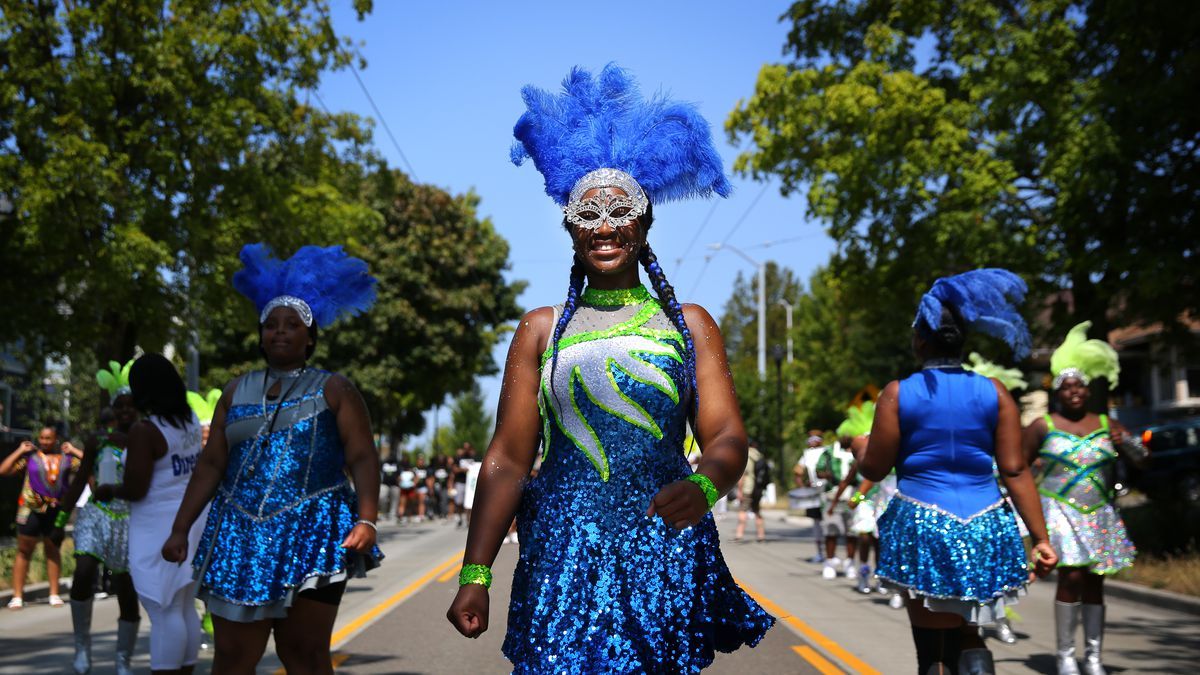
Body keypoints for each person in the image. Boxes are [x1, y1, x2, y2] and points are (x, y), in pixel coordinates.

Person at [446, 64, 773, 671]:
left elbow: (727, 437)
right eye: (586, 214)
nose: (603, 226)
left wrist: (705, 487)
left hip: (662, 550)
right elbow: (508, 459)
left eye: (618, 211)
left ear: (645, 223)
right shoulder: (541, 329)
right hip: (563, 557)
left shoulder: (689, 324)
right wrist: (476, 571)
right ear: (569, 228)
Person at [161, 244, 382, 674]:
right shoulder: (234, 390)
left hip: (314, 530)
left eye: (292, 325)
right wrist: (180, 528)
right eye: (271, 325)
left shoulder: (334, 389)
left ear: (310, 336)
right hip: (237, 534)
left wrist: (367, 519)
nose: (280, 332)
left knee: (303, 654)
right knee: (232, 658)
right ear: (261, 335)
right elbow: (210, 465)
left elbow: (363, 458)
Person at [856, 269, 1058, 674]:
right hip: (986, 525)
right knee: (971, 633)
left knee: (932, 652)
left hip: (922, 525)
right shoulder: (995, 391)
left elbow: (874, 469)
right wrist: (1040, 538)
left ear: (920, 340)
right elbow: (1015, 471)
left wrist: (863, 449)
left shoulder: (898, 393)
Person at [1022, 322, 1145, 675]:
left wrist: (1130, 445)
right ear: (1057, 391)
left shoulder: (1108, 424)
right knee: (1070, 578)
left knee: (1095, 580)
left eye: (1080, 386)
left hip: (1099, 512)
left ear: (1088, 390)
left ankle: (1092, 657)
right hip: (1059, 510)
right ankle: (1064, 657)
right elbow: (1018, 468)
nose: (1074, 392)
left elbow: (1142, 460)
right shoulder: (1043, 425)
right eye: (1067, 386)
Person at [89, 354, 207, 674]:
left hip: (159, 526)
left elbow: (137, 488)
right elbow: (167, 458)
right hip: (190, 519)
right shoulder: (189, 420)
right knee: (182, 606)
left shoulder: (146, 429)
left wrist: (109, 490)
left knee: (162, 607)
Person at [55, 361, 142, 674]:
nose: (125, 412)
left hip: (130, 519)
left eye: (131, 407)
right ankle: (82, 647)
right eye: (120, 407)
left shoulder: (147, 440)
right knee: (83, 572)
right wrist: (59, 519)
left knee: (126, 590)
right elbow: (79, 481)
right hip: (96, 513)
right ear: (113, 410)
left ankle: (122, 660)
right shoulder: (96, 440)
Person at [1, 424, 81, 609]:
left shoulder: (66, 459)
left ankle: (54, 593)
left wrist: (74, 449)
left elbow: (89, 464)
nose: (45, 441)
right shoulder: (30, 458)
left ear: (56, 439)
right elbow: (3, 470)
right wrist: (20, 450)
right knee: (24, 551)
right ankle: (17, 596)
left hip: (55, 510)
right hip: (30, 509)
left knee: (53, 549)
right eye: (42, 438)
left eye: (49, 438)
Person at [817, 436, 857, 579]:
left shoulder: (859, 451)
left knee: (853, 532)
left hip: (853, 495)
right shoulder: (829, 452)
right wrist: (828, 475)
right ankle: (829, 563)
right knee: (831, 530)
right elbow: (818, 470)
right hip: (832, 495)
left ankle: (850, 563)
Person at [734, 439, 767, 542]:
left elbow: (743, 474)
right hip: (758, 488)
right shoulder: (760, 456)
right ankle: (761, 536)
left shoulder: (747, 456)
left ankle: (739, 535)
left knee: (743, 510)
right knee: (757, 511)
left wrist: (739, 490)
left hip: (747, 488)